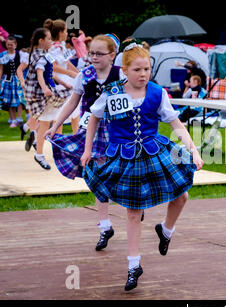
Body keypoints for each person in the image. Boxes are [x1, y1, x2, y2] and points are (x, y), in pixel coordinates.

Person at [80, 41, 204, 291]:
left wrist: (193, 149)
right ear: (124, 70)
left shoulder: (158, 92)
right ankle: (133, 265)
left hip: (153, 151)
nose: (143, 74)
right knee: (133, 211)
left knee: (182, 196)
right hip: (124, 157)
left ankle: (166, 230)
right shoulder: (112, 92)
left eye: (147, 69)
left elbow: (175, 123)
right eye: (137, 70)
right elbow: (94, 117)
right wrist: (87, 149)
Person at [45, 34, 125, 252]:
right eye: (91, 53)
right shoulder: (85, 75)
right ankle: (105, 226)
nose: (94, 57)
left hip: (117, 131)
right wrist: (55, 125)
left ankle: (130, 200)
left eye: (99, 54)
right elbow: (72, 103)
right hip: (91, 130)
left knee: (119, 173)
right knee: (97, 176)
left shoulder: (122, 75)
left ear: (112, 55)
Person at [22, 27, 69, 170]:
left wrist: (64, 82)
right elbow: (39, 73)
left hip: (46, 92)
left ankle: (51, 150)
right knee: (46, 124)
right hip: (41, 95)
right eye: (48, 39)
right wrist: (45, 88)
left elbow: (50, 72)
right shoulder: (39, 56)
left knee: (56, 120)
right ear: (41, 41)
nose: (50, 41)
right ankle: (40, 153)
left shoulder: (45, 54)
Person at [44, 18, 80, 134]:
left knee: (75, 113)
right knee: (60, 115)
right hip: (59, 82)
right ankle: (57, 146)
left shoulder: (62, 46)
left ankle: (77, 141)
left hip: (67, 80)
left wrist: (79, 73)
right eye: (65, 31)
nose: (67, 33)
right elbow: (53, 66)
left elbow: (66, 63)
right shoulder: (53, 48)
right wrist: (71, 73)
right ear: (60, 33)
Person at [0, 36, 27, 128]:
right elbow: (1, 69)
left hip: (18, 78)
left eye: (11, 44)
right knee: (9, 100)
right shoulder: (3, 54)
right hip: (7, 79)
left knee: (20, 99)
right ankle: (13, 119)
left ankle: (19, 118)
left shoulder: (20, 54)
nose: (9, 46)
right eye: (8, 44)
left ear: (15, 45)